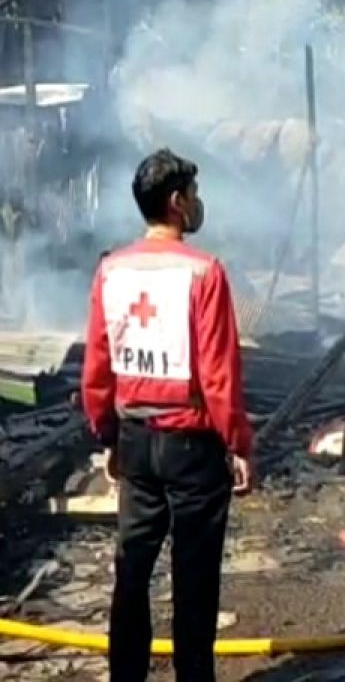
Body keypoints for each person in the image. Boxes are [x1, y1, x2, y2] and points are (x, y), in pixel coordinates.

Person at [82, 148, 253, 682]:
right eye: (194, 195)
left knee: (131, 569)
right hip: (193, 445)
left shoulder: (112, 270)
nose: (198, 204)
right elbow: (219, 374)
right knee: (195, 576)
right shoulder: (205, 273)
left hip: (135, 439)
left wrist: (108, 434)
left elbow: (97, 364)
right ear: (178, 203)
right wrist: (239, 444)